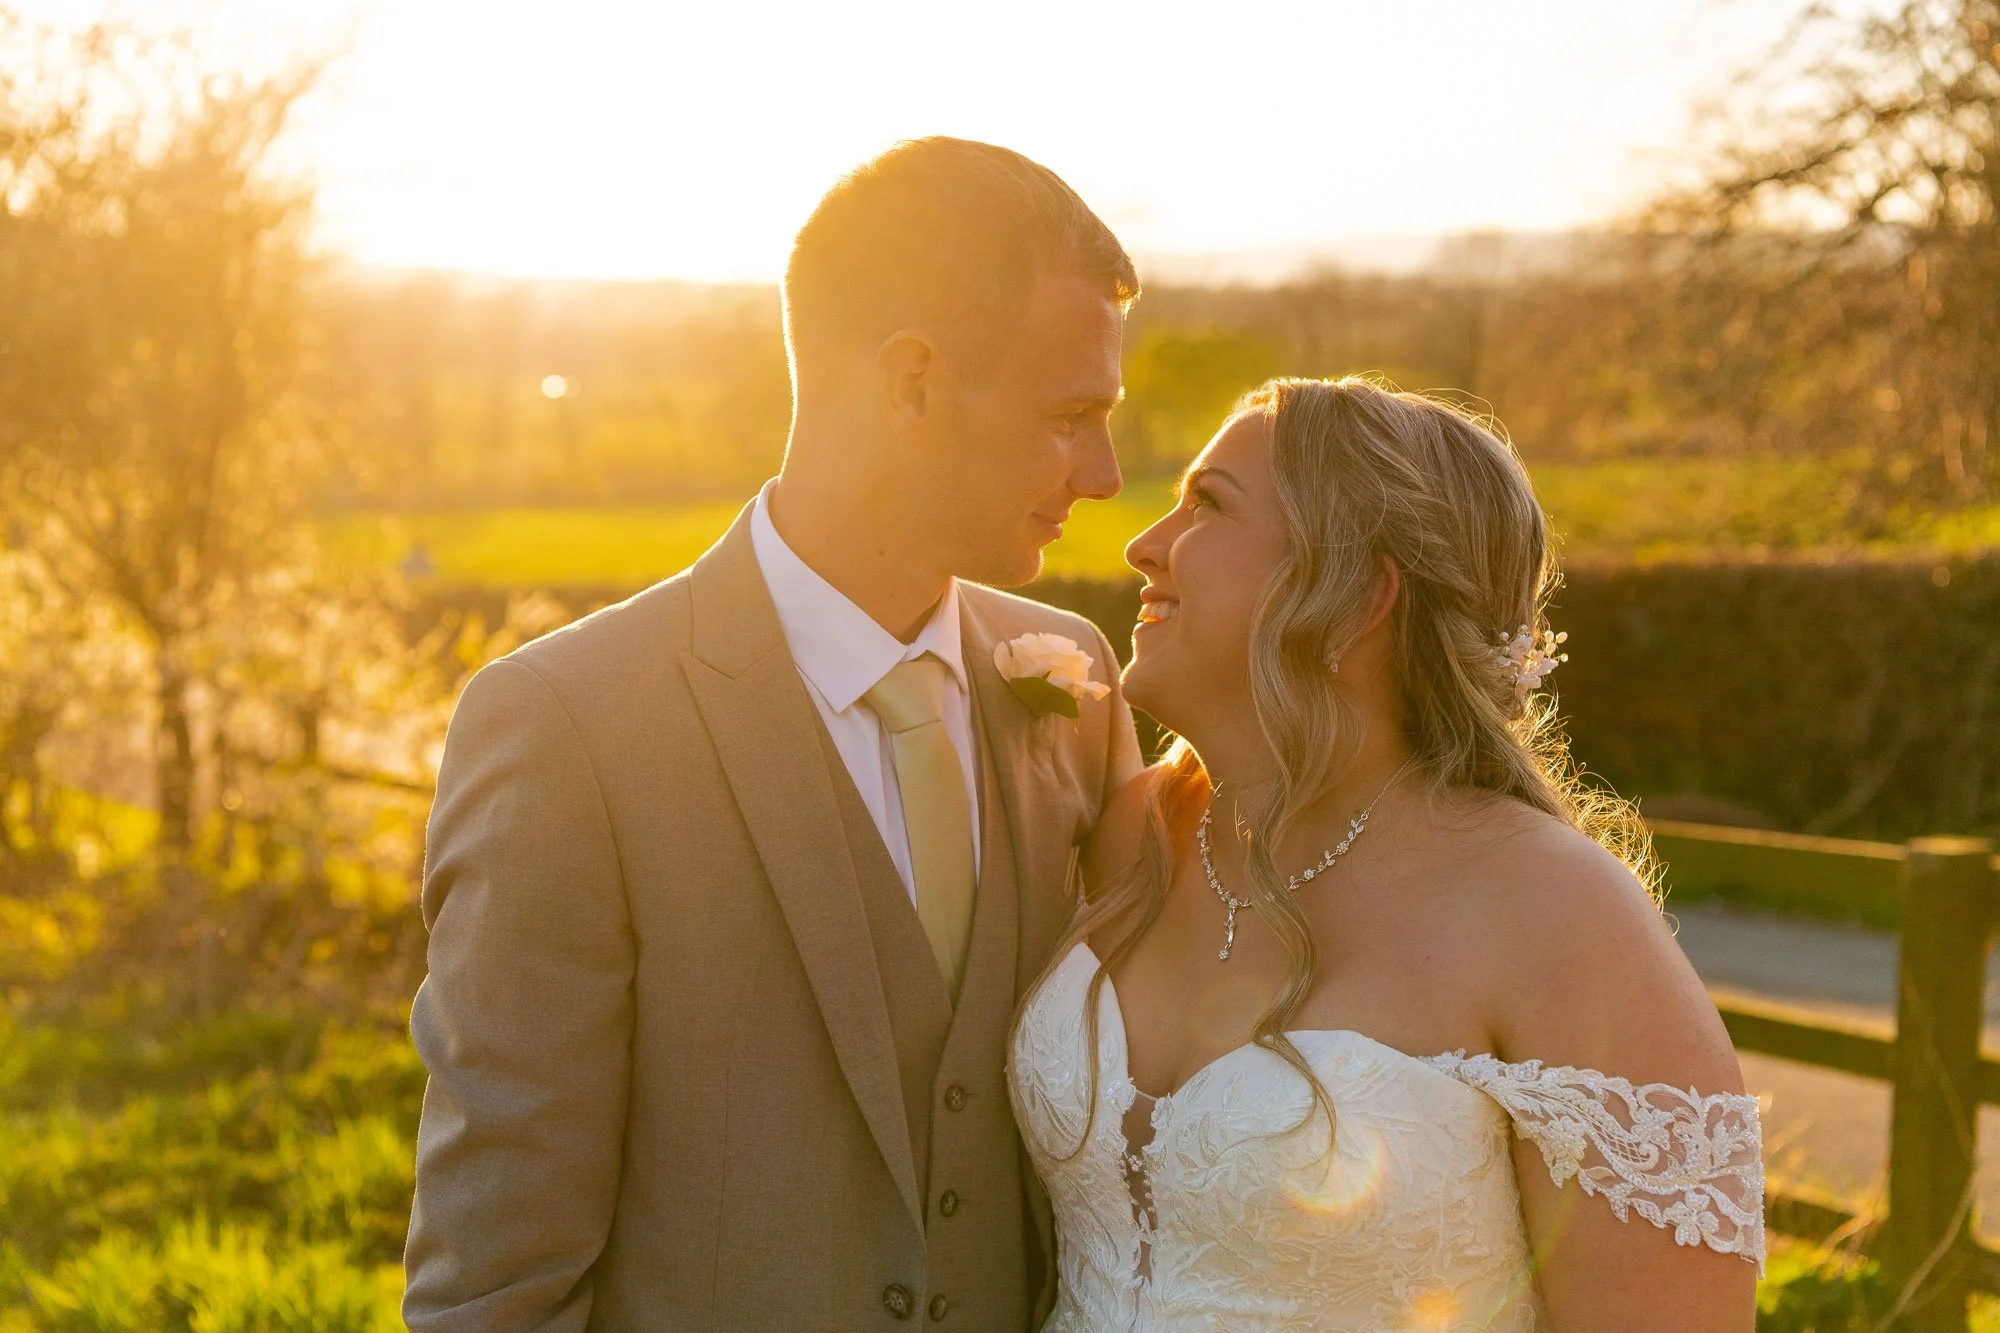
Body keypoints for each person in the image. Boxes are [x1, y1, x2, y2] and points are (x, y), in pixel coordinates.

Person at [404, 137, 1145, 1331]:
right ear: (910, 382)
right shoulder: (567, 727)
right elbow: (496, 1276)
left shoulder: (1073, 683)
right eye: (1069, 416)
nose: (1105, 473)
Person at [1009, 377, 1765, 1331]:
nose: (1142, 544)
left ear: (1359, 595)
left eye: (1208, 503)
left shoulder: (1558, 911)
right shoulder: (1135, 837)